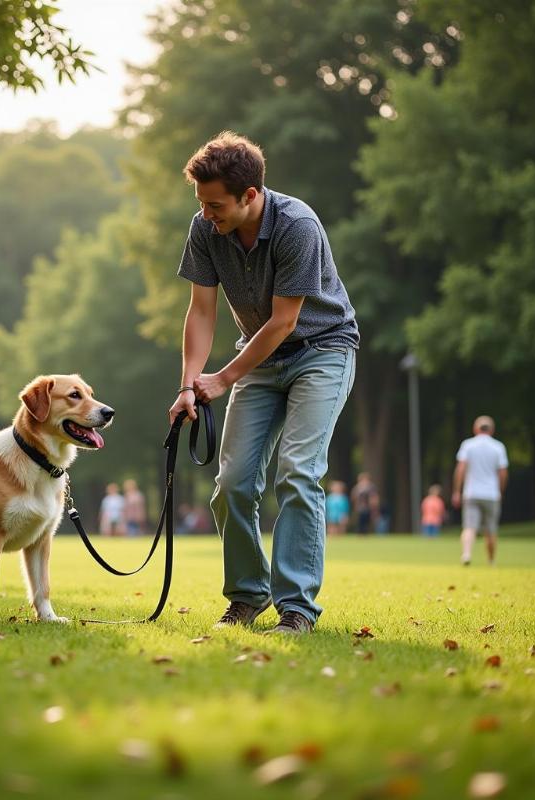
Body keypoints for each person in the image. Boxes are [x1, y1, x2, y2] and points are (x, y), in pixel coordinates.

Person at [168, 132, 358, 634]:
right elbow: (201, 310)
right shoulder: (205, 228)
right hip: (259, 360)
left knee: (297, 471)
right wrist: (190, 384)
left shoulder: (298, 225)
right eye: (202, 204)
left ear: (250, 195)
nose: (208, 214)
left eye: (216, 204)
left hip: (322, 352)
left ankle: (296, 609)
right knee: (231, 484)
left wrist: (224, 378)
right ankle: (248, 596)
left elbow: (283, 322)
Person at [452, 416, 508, 566]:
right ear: (492, 430)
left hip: (471, 493)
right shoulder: (498, 447)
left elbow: (461, 468)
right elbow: (502, 472)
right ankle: (491, 561)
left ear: (476, 429)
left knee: (469, 527)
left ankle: (466, 554)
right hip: (491, 494)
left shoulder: (468, 445)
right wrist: (500, 491)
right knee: (490, 530)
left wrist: (457, 491)